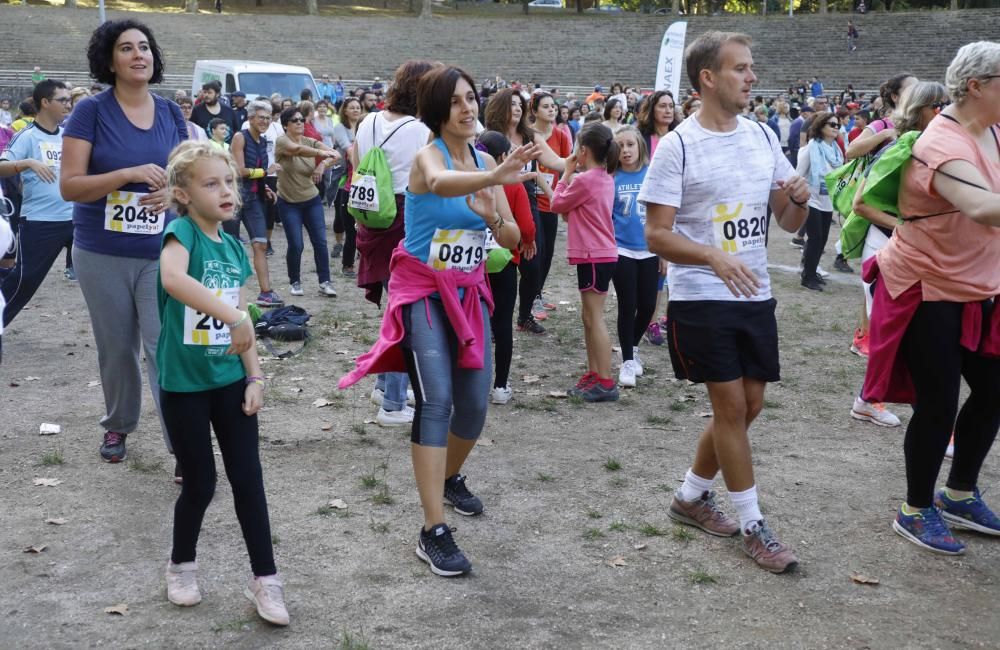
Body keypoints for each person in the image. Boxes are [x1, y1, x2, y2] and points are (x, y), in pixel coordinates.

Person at [338, 65, 530, 577]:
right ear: (437, 111)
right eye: (456, 102)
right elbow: (442, 184)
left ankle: (447, 475)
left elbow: (510, 241)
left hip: (468, 293)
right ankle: (432, 529)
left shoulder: (488, 158)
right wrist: (492, 180)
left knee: (474, 407)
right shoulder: (429, 155)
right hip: (422, 289)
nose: (467, 109)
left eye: (472, 99)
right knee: (438, 401)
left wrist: (493, 211)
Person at [640, 31, 811, 573]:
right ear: (708, 78)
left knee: (750, 406)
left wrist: (799, 200)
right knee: (731, 408)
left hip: (754, 293)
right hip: (702, 297)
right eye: (741, 68)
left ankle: (690, 496)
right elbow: (656, 236)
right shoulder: (678, 146)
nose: (752, 77)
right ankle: (754, 524)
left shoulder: (762, 135)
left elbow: (787, 220)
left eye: (752, 68)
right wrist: (712, 257)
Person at [863, 42, 1000, 555]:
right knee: (938, 402)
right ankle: (916, 508)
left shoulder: (992, 132)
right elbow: (982, 207)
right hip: (928, 288)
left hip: (980, 286)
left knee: (992, 392)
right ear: (978, 86)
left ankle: (959, 493)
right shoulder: (940, 142)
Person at [158, 140, 288, 626]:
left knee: (248, 481)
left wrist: (255, 375)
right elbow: (174, 280)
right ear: (184, 195)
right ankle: (182, 566)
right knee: (201, 482)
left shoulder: (234, 247)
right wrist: (234, 315)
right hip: (185, 385)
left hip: (231, 380)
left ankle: (266, 582)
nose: (226, 191)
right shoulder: (182, 234)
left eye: (229, 181)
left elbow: (243, 326)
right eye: (211, 183)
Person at [60, 19, 187, 467]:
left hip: (162, 250)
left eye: (145, 47)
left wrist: (174, 193)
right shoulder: (90, 112)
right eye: (127, 48)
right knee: (117, 347)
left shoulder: (172, 113)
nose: (139, 55)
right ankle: (118, 423)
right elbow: (70, 187)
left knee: (164, 345)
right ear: (109, 61)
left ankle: (182, 443)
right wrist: (128, 174)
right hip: (101, 252)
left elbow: (186, 179)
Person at [350, 60, 435, 428]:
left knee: (393, 308)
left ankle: (386, 386)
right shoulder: (420, 130)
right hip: (403, 216)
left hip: (370, 215)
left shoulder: (368, 119)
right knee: (404, 312)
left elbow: (355, 159)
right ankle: (394, 403)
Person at [552, 122, 620, 402]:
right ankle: (595, 374)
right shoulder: (604, 177)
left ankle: (605, 380)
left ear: (583, 150)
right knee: (588, 317)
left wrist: (566, 172)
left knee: (594, 318)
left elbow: (557, 204)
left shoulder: (585, 179)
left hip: (594, 254)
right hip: (600, 254)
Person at [0, 80, 73, 326]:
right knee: (24, 280)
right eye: (62, 100)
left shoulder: (69, 136)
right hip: (41, 222)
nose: (68, 104)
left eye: (69, 99)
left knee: (106, 275)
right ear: (45, 102)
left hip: (77, 220)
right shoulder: (27, 136)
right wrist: (28, 163)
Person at [475, 130, 538, 405]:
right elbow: (525, 225)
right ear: (502, 157)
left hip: (472, 261)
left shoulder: (467, 177)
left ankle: (474, 383)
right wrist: (529, 241)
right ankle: (500, 385)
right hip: (503, 261)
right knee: (502, 324)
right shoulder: (511, 185)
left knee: (475, 324)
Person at [274, 107, 340, 297]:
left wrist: (321, 164)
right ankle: (295, 281)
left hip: (311, 200)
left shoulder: (309, 141)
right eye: (295, 120)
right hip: (288, 201)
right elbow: (297, 150)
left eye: (302, 119)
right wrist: (321, 153)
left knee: (320, 241)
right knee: (296, 244)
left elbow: (335, 155)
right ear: (286, 124)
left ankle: (325, 281)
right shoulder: (282, 142)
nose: (300, 123)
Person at [609, 126, 657, 388]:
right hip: (621, 249)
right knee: (628, 303)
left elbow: (662, 214)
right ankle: (627, 359)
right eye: (620, 146)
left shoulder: (652, 175)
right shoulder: (610, 178)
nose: (626, 150)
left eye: (630, 144)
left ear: (640, 146)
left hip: (650, 249)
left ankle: (634, 346)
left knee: (648, 304)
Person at [230, 99, 282, 307]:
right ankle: (228, 292)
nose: (265, 122)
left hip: (254, 200)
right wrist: (265, 173)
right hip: (234, 199)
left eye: (268, 118)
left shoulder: (262, 141)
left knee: (260, 244)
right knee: (231, 246)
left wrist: (265, 186)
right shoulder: (239, 137)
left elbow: (255, 173)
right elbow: (238, 170)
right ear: (250, 118)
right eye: (261, 117)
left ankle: (266, 292)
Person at [529, 91, 572, 317]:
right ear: (534, 111)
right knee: (536, 251)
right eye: (545, 106)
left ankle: (538, 295)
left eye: (553, 106)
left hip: (551, 202)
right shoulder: (528, 134)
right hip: (530, 201)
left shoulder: (561, 136)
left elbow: (566, 167)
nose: (551, 110)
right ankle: (532, 297)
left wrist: (564, 194)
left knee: (547, 253)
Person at [795, 111, 843, 291]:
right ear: (820, 126)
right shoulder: (810, 148)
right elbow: (799, 174)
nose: (836, 128)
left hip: (827, 200)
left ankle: (812, 271)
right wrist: (800, 199)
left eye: (837, 125)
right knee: (815, 239)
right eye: (831, 124)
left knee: (822, 240)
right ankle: (807, 276)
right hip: (811, 200)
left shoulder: (836, 151)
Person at [331, 97, 362, 277]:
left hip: (364, 189)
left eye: (358, 107)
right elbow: (348, 151)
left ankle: (362, 261)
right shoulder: (341, 129)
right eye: (352, 107)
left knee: (364, 230)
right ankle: (347, 265)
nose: (356, 110)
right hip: (347, 185)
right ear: (345, 110)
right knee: (349, 228)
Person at [636, 90, 676, 158]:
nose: (668, 111)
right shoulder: (639, 137)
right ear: (651, 110)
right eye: (662, 106)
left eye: (671, 106)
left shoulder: (680, 136)